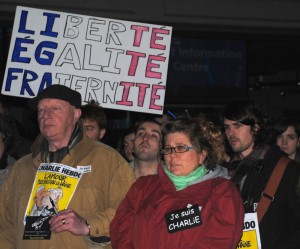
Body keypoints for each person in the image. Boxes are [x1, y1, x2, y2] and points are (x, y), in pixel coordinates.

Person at [0, 85, 135, 249]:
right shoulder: (22, 167)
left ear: (76, 115)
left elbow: (131, 211)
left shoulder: (107, 160)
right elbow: (5, 229)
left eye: (55, 109)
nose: (46, 115)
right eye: (41, 110)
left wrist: (88, 225)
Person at [110, 117, 244, 249]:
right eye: (168, 149)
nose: (172, 155)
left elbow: (219, 240)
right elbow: (121, 229)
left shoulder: (221, 191)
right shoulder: (143, 186)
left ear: (202, 155)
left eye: (180, 148)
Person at [222, 99, 300, 249]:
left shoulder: (287, 170)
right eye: (227, 127)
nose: (231, 133)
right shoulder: (227, 171)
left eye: (237, 125)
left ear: (256, 127)